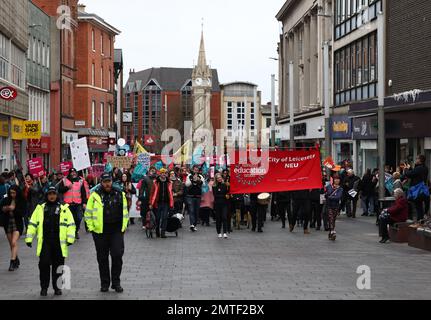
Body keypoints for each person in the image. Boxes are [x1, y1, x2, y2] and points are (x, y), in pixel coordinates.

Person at [25, 187, 76, 296]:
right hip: (45, 242)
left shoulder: (64, 208)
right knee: (43, 264)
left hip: (59, 242)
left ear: (57, 195)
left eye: (54, 194)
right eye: (49, 194)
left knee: (58, 266)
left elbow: (71, 224)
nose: (52, 196)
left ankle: (57, 288)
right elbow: (33, 223)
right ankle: (44, 287)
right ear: (47, 195)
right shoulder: (40, 208)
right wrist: (29, 238)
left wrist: (70, 238)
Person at [85, 173, 129, 293]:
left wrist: (124, 226)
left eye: (109, 181)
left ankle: (116, 282)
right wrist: (91, 228)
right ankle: (104, 283)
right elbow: (88, 213)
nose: (107, 184)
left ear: (112, 181)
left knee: (117, 255)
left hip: (116, 231)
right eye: (105, 181)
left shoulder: (120, 194)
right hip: (100, 232)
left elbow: (125, 210)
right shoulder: (95, 195)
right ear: (101, 182)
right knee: (102, 258)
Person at [58, 168, 90, 240]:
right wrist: (67, 187)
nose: (73, 174)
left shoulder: (80, 181)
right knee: (70, 220)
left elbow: (83, 193)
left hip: (78, 203)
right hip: (68, 204)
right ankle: (71, 232)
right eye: (72, 172)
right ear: (69, 173)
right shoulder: (64, 180)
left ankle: (76, 230)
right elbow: (60, 190)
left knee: (79, 218)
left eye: (75, 172)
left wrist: (84, 203)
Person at [1, 185, 25, 271]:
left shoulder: (21, 200)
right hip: (7, 223)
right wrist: (7, 208)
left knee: (14, 242)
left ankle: (11, 262)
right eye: (11, 192)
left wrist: (14, 209)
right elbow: (1, 208)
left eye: (14, 193)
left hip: (17, 224)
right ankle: (16, 259)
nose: (12, 194)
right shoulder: (6, 199)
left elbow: (23, 213)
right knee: (11, 244)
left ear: (17, 192)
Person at [149, 168, 174, 238]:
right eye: (162, 173)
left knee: (165, 218)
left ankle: (163, 233)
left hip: (166, 203)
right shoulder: (155, 182)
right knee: (158, 218)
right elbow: (152, 193)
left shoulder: (169, 182)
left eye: (165, 173)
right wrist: (150, 203)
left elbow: (171, 193)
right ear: (160, 173)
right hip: (157, 203)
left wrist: (172, 203)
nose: (163, 174)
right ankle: (157, 231)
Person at [404, 155, 429, 221]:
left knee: (418, 206)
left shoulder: (419, 168)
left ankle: (419, 220)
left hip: (417, 190)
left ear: (420, 160)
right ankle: (421, 219)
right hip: (422, 189)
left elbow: (409, 174)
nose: (416, 160)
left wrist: (406, 169)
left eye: (417, 159)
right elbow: (415, 174)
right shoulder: (425, 168)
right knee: (419, 206)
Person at [185, 165, 204, 232]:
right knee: (191, 210)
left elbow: (204, 185)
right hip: (190, 196)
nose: (196, 171)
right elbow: (187, 184)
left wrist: (199, 180)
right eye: (195, 169)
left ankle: (194, 224)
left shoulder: (200, 176)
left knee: (196, 211)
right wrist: (192, 179)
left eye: (197, 170)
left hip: (198, 196)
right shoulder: (189, 176)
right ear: (193, 170)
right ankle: (192, 224)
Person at [325, 175, 344, 241]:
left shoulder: (340, 189)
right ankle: (333, 231)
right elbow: (326, 194)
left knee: (333, 219)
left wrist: (330, 197)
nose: (337, 180)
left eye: (338, 179)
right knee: (331, 218)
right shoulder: (328, 187)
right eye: (335, 179)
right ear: (333, 180)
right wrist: (331, 193)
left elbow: (338, 197)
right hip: (329, 205)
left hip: (336, 206)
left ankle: (330, 233)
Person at [213, 174, 229, 238]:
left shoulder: (225, 185)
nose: (219, 179)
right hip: (217, 204)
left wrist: (228, 187)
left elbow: (227, 192)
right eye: (218, 178)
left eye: (220, 177)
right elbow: (215, 195)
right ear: (216, 179)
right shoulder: (214, 186)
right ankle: (219, 232)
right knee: (218, 219)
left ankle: (225, 232)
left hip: (224, 204)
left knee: (224, 217)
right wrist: (223, 195)